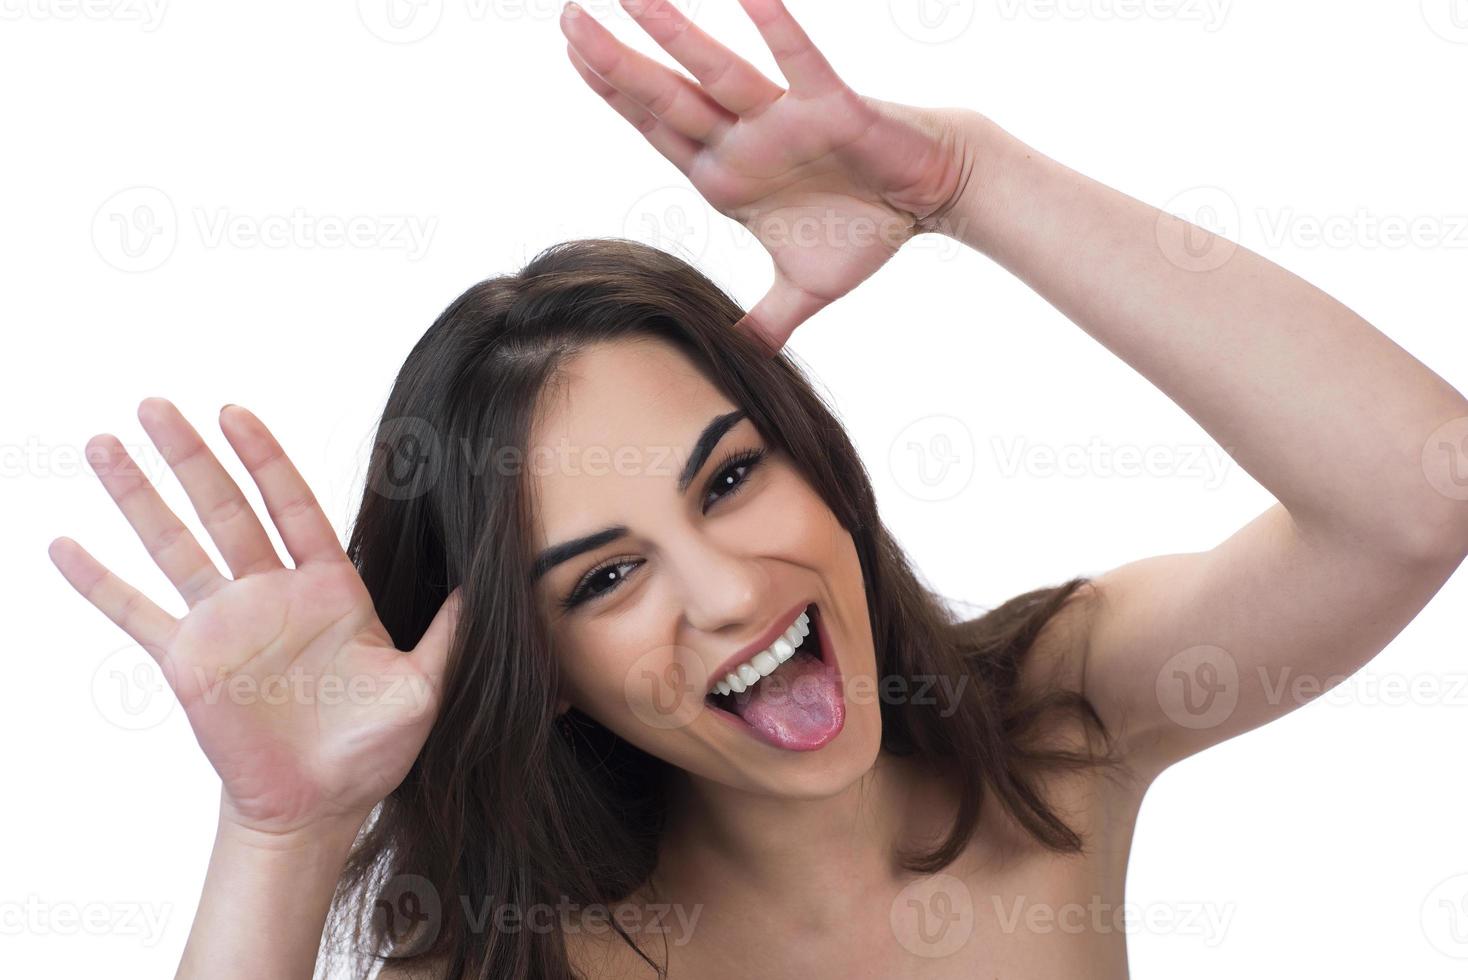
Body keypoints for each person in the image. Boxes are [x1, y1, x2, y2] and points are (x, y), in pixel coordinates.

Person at [47, 0, 1468, 977]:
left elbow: (1420, 493)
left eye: (729, 479)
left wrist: (969, 183)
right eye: (604, 577)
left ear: (819, 466)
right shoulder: (516, 955)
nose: (728, 592)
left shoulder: (1062, 719)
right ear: (537, 670)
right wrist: (279, 837)